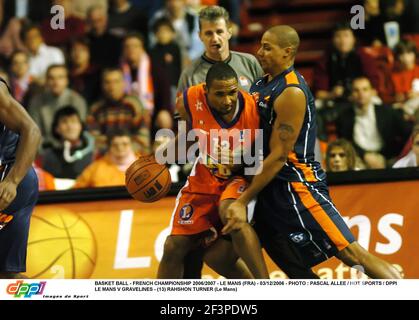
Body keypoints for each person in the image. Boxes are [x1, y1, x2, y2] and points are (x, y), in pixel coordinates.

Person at [225, 25, 401, 279]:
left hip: (297, 184)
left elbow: (278, 156)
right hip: (270, 187)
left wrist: (243, 200)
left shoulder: (291, 91)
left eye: (267, 47)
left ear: (287, 52)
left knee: (351, 254)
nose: (259, 52)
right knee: (286, 261)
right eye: (260, 45)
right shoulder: (260, 83)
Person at [177, 5, 267, 279]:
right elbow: (185, 128)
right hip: (210, 171)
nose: (215, 38)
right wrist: (169, 154)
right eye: (208, 33)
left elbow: (264, 109)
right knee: (199, 250)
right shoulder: (190, 75)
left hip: (252, 165)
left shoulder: (249, 63)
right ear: (200, 36)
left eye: (219, 31)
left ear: (229, 31)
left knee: (238, 224)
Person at [157, 62, 268, 279]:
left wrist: (239, 164)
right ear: (206, 91)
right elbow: (189, 136)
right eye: (219, 94)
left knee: (230, 212)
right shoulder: (189, 100)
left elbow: (261, 164)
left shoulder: (254, 109)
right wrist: (160, 158)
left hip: (240, 177)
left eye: (232, 93)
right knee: (173, 246)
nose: (227, 100)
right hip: (205, 176)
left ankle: (266, 287)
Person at [0, 77, 42, 279]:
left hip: (8, 179)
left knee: (7, 275)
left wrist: (12, 181)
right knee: (6, 275)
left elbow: (31, 130)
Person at [73, 130, 137, 188]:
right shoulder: (95, 168)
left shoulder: (145, 165)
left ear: (131, 145)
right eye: (115, 145)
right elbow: (76, 189)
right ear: (109, 147)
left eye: (125, 144)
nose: (120, 148)